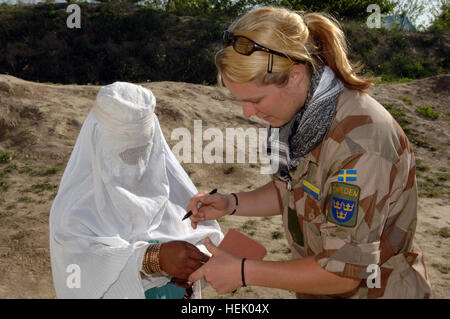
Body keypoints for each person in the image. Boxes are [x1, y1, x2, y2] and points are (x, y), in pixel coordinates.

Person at [186, 6, 432, 299]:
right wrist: (230, 203)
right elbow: (288, 190)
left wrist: (242, 271)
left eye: (256, 100)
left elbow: (343, 275)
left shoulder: (361, 143)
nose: (248, 112)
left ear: (295, 76)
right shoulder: (295, 121)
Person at [49, 81, 223, 299]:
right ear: (99, 143)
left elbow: (207, 238)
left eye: (144, 152)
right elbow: (77, 274)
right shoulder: (74, 210)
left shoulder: (171, 193)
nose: (138, 165)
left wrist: (192, 263)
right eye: (126, 155)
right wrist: (152, 258)